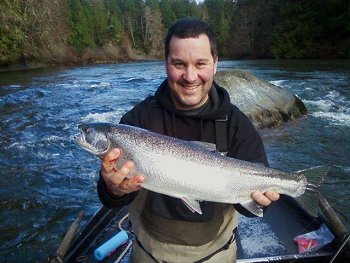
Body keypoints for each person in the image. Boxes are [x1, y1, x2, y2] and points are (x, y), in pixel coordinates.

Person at [97, 18, 280, 262]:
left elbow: (253, 207)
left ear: (215, 64)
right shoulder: (137, 120)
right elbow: (110, 197)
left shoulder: (237, 124)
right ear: (166, 64)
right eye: (179, 64)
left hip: (216, 254)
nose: (190, 76)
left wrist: (263, 201)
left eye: (201, 63)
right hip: (150, 252)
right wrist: (113, 189)